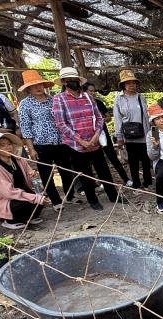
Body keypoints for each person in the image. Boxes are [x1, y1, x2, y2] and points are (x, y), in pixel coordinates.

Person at [52, 67, 127, 211]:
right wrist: (80, 140)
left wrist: (96, 135)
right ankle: (92, 200)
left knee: (103, 170)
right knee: (85, 173)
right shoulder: (59, 99)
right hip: (76, 145)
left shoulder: (88, 97)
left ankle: (113, 195)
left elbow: (99, 118)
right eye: (69, 80)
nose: (72, 82)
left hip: (94, 141)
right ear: (63, 82)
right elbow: (61, 123)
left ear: (79, 80)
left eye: (74, 79)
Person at [18, 70, 79, 211]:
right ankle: (56, 200)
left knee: (66, 170)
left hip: (60, 141)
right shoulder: (25, 104)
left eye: (39, 85)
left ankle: (70, 195)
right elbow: (25, 127)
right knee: (46, 173)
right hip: (40, 143)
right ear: (29, 89)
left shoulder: (54, 99)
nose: (38, 88)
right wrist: (31, 148)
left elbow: (64, 119)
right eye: (34, 86)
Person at [0, 132, 46, 229]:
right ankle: (9, 221)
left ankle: (30, 217)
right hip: (7, 198)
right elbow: (6, 192)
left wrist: (32, 176)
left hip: (23, 193)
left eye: (9, 144)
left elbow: (30, 178)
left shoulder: (19, 159)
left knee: (41, 197)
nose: (7, 147)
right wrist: (33, 197)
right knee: (27, 203)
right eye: (2, 145)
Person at [83, 81, 130, 186]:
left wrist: (100, 120)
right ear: (84, 91)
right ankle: (101, 182)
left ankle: (126, 179)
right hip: (89, 137)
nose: (93, 93)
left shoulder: (98, 102)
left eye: (94, 91)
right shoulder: (81, 105)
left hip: (103, 134)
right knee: (96, 162)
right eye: (90, 91)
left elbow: (108, 117)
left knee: (113, 157)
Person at [113, 70, 152, 189]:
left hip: (143, 134)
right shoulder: (119, 99)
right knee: (133, 161)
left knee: (146, 160)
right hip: (129, 136)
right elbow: (118, 118)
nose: (131, 85)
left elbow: (146, 116)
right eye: (128, 83)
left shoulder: (141, 97)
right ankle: (136, 183)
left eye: (133, 83)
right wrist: (119, 136)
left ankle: (148, 182)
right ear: (123, 85)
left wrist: (150, 133)